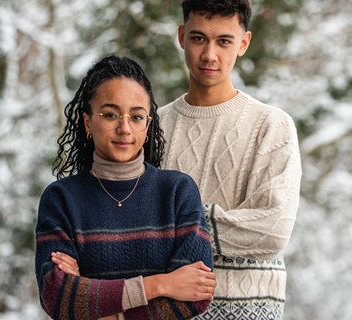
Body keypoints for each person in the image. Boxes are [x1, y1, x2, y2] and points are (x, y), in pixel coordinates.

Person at [34, 55, 216, 320]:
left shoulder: (177, 192)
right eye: (110, 115)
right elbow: (57, 296)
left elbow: (196, 294)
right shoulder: (61, 198)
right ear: (87, 122)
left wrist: (99, 307)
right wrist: (160, 285)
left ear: (148, 124)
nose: (124, 128)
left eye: (137, 116)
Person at [157, 1, 302, 319]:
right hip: (164, 308)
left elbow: (272, 231)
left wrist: (175, 224)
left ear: (243, 43)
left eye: (224, 41)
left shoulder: (271, 125)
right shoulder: (154, 126)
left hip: (248, 308)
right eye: (198, 38)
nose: (209, 54)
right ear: (181, 36)